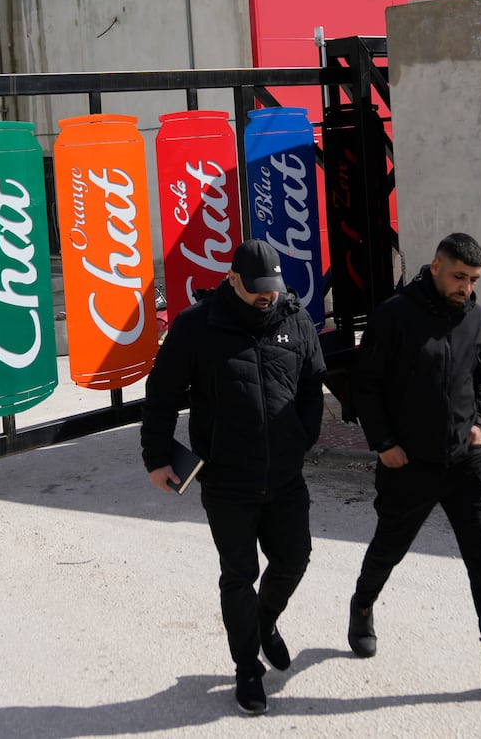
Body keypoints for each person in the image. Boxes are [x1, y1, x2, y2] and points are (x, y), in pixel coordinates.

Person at [345, 232, 481, 706]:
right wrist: (384, 444)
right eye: (459, 276)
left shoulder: (476, 318)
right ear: (435, 266)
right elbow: (365, 385)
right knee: (388, 549)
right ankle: (362, 606)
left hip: (464, 462)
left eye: (474, 279)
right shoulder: (393, 316)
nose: (466, 287)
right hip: (408, 462)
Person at [140, 238, 327, 716]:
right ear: (232, 281)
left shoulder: (294, 319)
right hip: (226, 480)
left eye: (272, 291)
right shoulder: (196, 326)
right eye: (256, 292)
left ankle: (265, 622)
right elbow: (162, 393)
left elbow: (312, 384)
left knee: (295, 558)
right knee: (239, 575)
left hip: (284, 475)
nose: (266, 300)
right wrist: (156, 457)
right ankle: (247, 667)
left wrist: (303, 436)